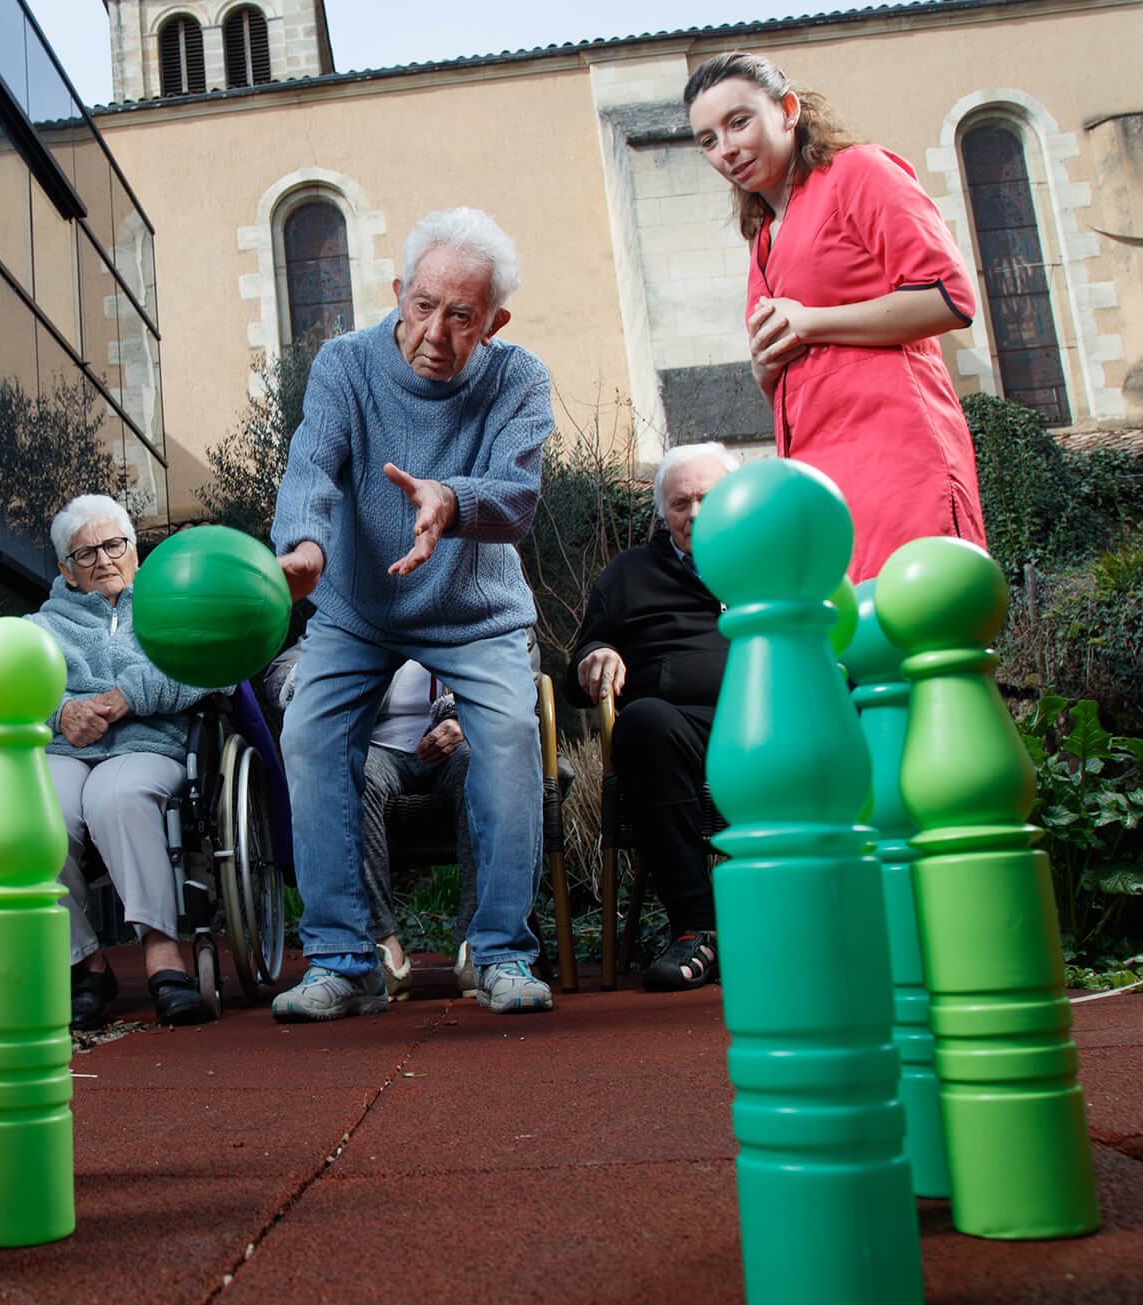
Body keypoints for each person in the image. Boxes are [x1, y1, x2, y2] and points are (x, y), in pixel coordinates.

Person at [267, 206, 552, 1022]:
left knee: (505, 739)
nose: (435, 330)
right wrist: (307, 549)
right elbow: (313, 465)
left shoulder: (519, 378)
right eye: (423, 304)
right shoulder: (345, 366)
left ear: (492, 322)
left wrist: (451, 499)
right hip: (357, 607)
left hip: (476, 610)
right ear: (398, 292)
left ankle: (501, 952)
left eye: (462, 316)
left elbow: (518, 496)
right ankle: (345, 961)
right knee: (309, 731)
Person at [684, 50, 985, 582]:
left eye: (739, 121)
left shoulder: (858, 171)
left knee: (919, 632)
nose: (726, 149)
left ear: (789, 110)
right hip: (817, 483)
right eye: (708, 140)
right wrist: (765, 375)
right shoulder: (762, 238)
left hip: (897, 454)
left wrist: (813, 321)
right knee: (854, 655)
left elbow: (948, 296)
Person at [27, 494, 217, 1029]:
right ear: (65, 569)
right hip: (66, 748)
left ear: (135, 552)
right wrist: (59, 713)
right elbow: (10, 689)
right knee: (35, 815)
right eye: (85, 554)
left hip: (148, 743)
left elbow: (215, 665)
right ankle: (85, 962)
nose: (103, 560)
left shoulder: (170, 605)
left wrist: (131, 693)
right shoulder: (38, 628)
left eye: (114, 545)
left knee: (118, 796)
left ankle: (162, 952)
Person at [565, 442, 738, 990]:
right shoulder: (630, 573)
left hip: (767, 718)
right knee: (642, 722)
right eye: (681, 503)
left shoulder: (769, 554)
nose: (696, 514)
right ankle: (699, 929)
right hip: (678, 732)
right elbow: (575, 674)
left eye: (708, 498)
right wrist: (597, 657)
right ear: (662, 513)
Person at [268, 647, 473, 1001]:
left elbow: (517, 668)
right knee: (350, 772)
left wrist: (463, 720)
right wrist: (327, 677)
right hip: (377, 745)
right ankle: (381, 943)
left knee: (482, 765)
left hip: (459, 742)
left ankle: (479, 942)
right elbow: (280, 674)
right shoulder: (362, 609)